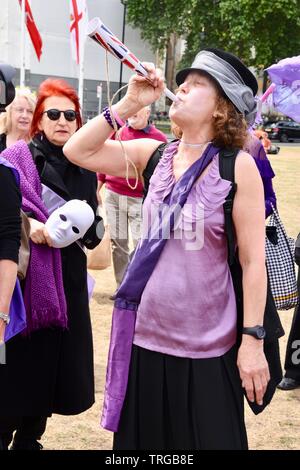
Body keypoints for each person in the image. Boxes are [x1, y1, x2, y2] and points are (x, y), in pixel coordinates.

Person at [64, 48, 270, 450]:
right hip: (145, 340)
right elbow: (77, 151)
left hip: (209, 349)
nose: (182, 88)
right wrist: (130, 103)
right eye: (182, 82)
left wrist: (253, 341)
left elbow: (252, 261)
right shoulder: (154, 156)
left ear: (220, 108)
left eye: (196, 85)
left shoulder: (238, 166)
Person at [0, 78, 102, 450]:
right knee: (18, 370)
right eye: (53, 114)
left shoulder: (88, 165)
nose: (62, 121)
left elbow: (93, 230)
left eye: (70, 115)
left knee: (53, 369)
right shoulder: (17, 159)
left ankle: (31, 439)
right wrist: (34, 224)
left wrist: (94, 227)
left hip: (68, 280)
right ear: (38, 121)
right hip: (26, 280)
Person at [97, 106, 167, 288]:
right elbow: (105, 161)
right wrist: (98, 187)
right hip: (114, 196)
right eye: (133, 108)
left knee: (140, 244)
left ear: (148, 113)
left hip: (139, 200)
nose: (134, 112)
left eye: (139, 109)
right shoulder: (118, 132)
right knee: (118, 244)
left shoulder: (159, 138)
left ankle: (137, 285)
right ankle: (122, 286)